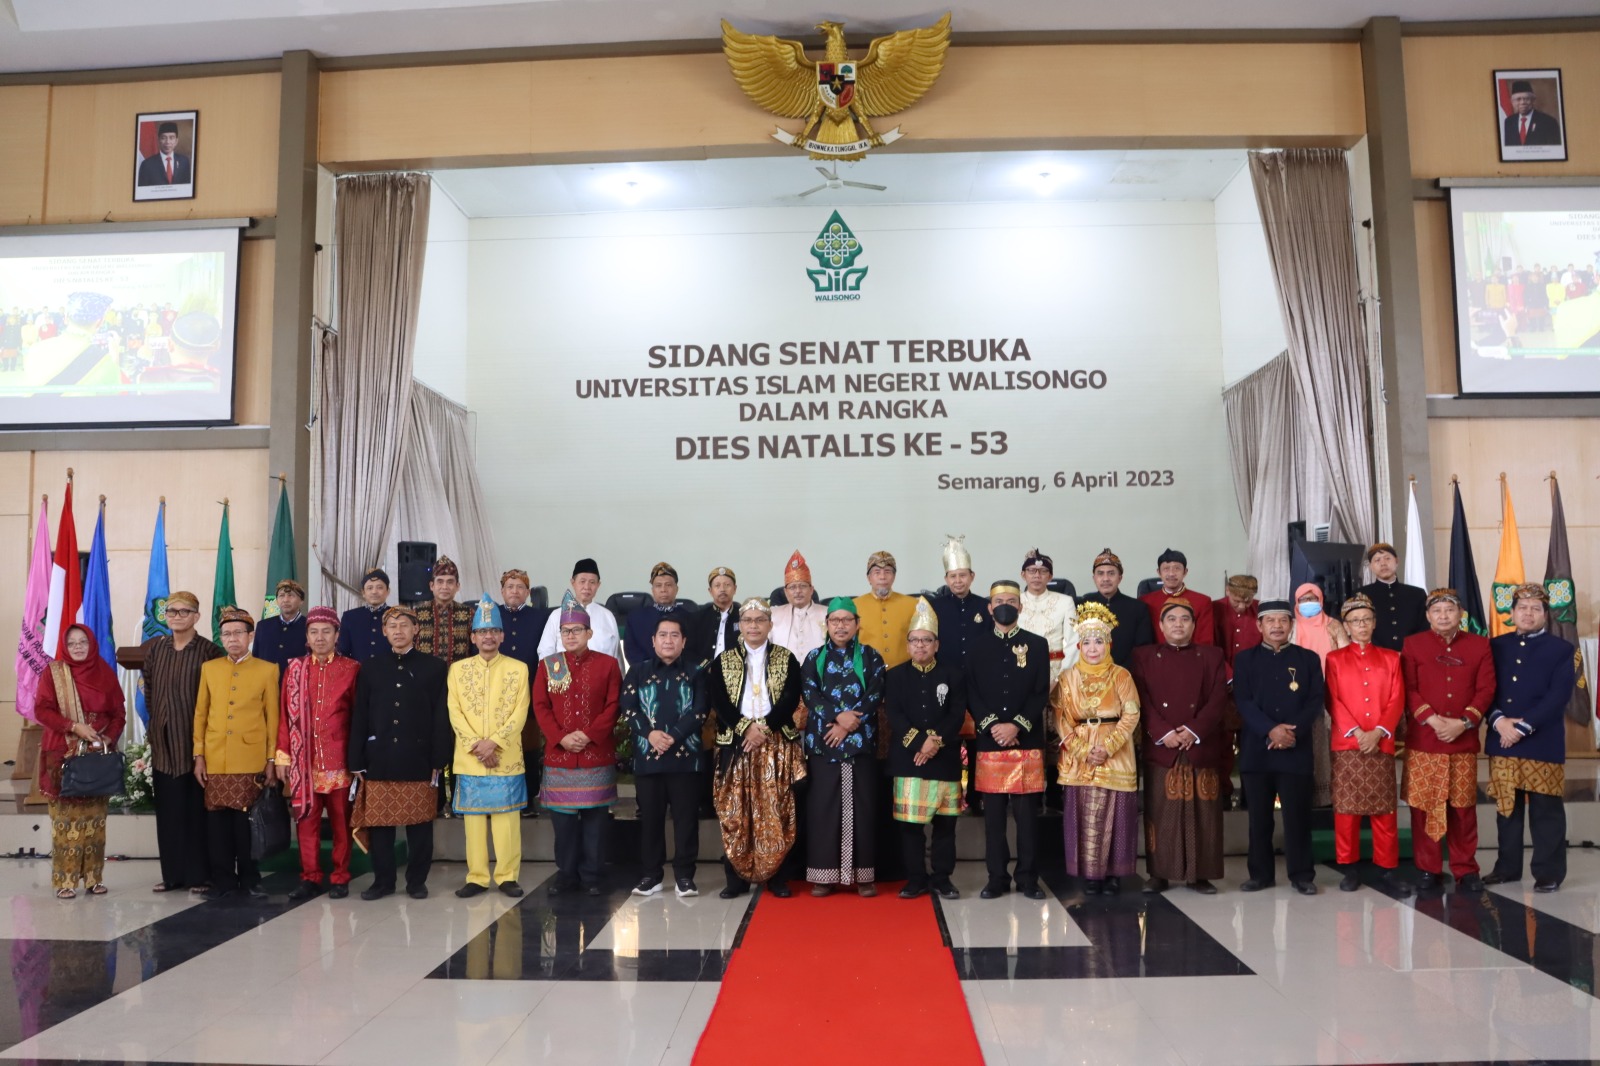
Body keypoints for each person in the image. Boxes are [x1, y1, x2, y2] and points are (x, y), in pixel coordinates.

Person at [349, 606, 452, 900]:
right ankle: (383, 881)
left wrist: (438, 758)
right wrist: (356, 758)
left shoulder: (434, 667)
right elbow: (360, 715)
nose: (398, 631)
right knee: (380, 826)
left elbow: (440, 716)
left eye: (404, 625)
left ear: (415, 630)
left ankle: (417, 881)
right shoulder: (370, 667)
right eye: (392, 626)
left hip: (418, 758)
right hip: (378, 757)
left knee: (420, 826)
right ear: (384, 632)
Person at [707, 597, 806, 899]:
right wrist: (744, 728)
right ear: (740, 625)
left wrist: (762, 729)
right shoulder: (723, 661)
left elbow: (790, 699)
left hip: (774, 742)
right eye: (747, 620)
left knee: (776, 809)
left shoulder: (785, 658)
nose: (753, 625)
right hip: (736, 744)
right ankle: (735, 877)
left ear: (769, 625)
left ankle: (776, 877)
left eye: (759, 620)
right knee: (735, 810)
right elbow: (720, 701)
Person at [1484, 584, 1578, 893]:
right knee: (1507, 809)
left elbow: (1558, 696)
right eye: (1522, 608)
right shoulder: (1495, 646)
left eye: (1535, 609)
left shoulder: (1562, 649)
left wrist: (1523, 727)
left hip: (1542, 740)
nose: (1528, 613)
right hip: (1502, 737)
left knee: (1546, 811)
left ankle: (1548, 873)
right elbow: (1485, 688)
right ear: (1511, 613)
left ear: (1546, 615)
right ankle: (1507, 868)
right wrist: (1498, 721)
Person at [1401, 588, 1495, 893]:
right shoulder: (1413, 644)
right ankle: (1428, 869)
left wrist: (1464, 722)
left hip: (1462, 740)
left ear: (1461, 615)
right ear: (1428, 616)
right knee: (1424, 807)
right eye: (1437, 611)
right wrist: (1432, 719)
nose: (1443, 616)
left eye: (1449, 610)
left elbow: (1486, 688)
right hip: (1425, 740)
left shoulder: (1479, 645)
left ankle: (1466, 869)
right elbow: (1408, 688)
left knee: (1463, 808)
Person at [1132, 598, 1228, 894]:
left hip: (1200, 745)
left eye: (1184, 619)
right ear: (1160, 626)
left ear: (1194, 625)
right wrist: (1163, 732)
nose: (1178, 624)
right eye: (1171, 619)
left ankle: (1200, 875)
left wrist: (1193, 730)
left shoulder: (1212, 655)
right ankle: (1159, 873)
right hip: (1163, 747)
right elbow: (1140, 700)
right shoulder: (1143, 656)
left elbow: (1217, 700)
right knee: (1161, 811)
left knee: (1204, 812)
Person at [532, 594, 622, 897]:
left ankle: (593, 875)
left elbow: (613, 705)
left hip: (596, 754)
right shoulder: (549, 665)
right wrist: (560, 737)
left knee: (596, 824)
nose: (571, 636)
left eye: (577, 631)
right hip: (560, 758)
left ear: (589, 633)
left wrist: (589, 734)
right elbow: (540, 706)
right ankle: (566, 875)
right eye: (566, 632)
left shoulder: (608, 665)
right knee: (564, 826)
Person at [1233, 600, 1325, 895]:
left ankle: (1302, 874)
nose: (1276, 626)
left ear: (1291, 625)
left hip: (1295, 749)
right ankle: (1260, 875)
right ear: (1259, 626)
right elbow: (1243, 701)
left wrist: (1288, 731)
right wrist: (1270, 730)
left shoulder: (1308, 659)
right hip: (1257, 750)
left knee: (1297, 817)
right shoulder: (1245, 660)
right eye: (1269, 621)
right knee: (1259, 818)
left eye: (1282, 621)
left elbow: (1314, 701)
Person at [968, 579, 1051, 900]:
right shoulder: (976, 646)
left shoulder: (1037, 644)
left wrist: (1016, 725)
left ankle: (1029, 878)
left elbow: (1040, 690)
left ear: (1020, 606)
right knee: (994, 818)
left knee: (1028, 817)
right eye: (998, 600)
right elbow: (971, 692)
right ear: (989, 608)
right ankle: (997, 878)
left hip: (1026, 739)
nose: (1005, 604)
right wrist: (993, 726)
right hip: (990, 742)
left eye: (1011, 600)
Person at [1325, 594, 1412, 895]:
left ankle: (1387, 869)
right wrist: (1356, 733)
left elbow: (1397, 698)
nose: (1361, 625)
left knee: (1384, 810)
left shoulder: (1391, 658)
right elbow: (1332, 700)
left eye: (1366, 620)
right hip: (1348, 745)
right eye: (1354, 621)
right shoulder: (1334, 659)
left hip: (1380, 743)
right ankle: (1349, 868)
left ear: (1375, 623)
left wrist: (1378, 732)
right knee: (1346, 811)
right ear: (1346, 627)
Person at [800, 597, 888, 896]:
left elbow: (875, 693)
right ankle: (823, 876)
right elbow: (810, 695)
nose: (840, 626)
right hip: (824, 742)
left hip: (860, 742)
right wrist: (838, 718)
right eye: (835, 620)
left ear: (857, 624)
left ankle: (863, 876)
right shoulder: (814, 657)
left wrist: (849, 723)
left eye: (846, 620)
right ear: (826, 625)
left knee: (863, 808)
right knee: (823, 808)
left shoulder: (871, 656)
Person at [1052, 603, 1140, 896]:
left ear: (1108, 644)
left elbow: (1131, 714)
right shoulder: (1066, 678)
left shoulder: (1122, 676)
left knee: (1118, 813)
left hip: (1116, 752)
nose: (1093, 648)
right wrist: (1081, 750)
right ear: (1079, 645)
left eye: (1099, 641)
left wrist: (1109, 746)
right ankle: (1090, 875)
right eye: (1087, 642)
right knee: (1083, 812)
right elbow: (1060, 719)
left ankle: (1115, 874)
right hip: (1080, 756)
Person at [193, 607, 279, 900]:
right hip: (215, 758)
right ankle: (223, 881)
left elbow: (273, 718)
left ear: (250, 636)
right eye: (227, 634)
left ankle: (251, 879)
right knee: (217, 826)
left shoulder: (268, 670)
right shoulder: (210, 668)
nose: (232, 639)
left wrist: (271, 759)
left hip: (250, 757)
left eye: (238, 633)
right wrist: (199, 755)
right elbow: (201, 714)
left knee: (246, 825)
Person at [139, 590, 222, 893]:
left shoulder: (209, 651)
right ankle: (172, 875)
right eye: (171, 611)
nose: (176, 616)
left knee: (196, 814)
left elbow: (218, 698)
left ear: (196, 617)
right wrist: (156, 724)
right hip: (164, 746)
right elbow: (148, 690)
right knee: (169, 814)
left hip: (197, 747)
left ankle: (200, 875)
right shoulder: (156, 650)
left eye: (183, 611)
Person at [34, 626, 126, 899]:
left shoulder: (104, 672)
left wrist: (106, 739)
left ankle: (93, 879)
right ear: (65, 646)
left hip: (97, 756)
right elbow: (42, 710)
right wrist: (74, 726)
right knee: (66, 823)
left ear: (91, 644)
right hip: (63, 754)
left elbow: (118, 713)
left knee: (95, 822)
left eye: (83, 642)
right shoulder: (54, 673)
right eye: (71, 643)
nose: (77, 647)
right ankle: (65, 880)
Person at [274, 606, 359, 901]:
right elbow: (284, 715)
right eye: (314, 632)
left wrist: (359, 759)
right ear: (307, 637)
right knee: (306, 821)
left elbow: (359, 717)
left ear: (337, 635)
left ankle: (340, 877)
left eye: (326, 632)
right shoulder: (295, 669)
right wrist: (283, 755)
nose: (320, 638)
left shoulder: (351, 669)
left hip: (339, 761)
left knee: (340, 823)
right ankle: (309, 877)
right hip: (303, 761)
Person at [449, 598, 531, 898]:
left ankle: (507, 876)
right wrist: (476, 745)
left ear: (502, 635)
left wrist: (494, 743)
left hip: (504, 755)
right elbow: (454, 711)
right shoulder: (457, 670)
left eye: (494, 630)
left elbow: (520, 711)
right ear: (472, 637)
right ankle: (477, 877)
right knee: (473, 822)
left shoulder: (518, 669)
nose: (488, 636)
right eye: (482, 631)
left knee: (507, 819)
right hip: (471, 758)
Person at [886, 597, 966, 900]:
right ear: (908, 646)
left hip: (944, 758)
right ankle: (916, 878)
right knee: (910, 826)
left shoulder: (953, 675)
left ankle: (943, 878)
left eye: (926, 641)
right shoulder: (894, 676)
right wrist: (920, 742)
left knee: (946, 825)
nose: (920, 646)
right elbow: (895, 714)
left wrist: (934, 743)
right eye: (915, 641)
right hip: (908, 759)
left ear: (936, 644)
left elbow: (956, 714)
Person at [621, 614, 707, 897]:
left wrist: (673, 736)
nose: (668, 640)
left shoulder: (696, 672)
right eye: (663, 635)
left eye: (674, 636)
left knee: (685, 820)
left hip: (686, 760)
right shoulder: (637, 672)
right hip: (649, 758)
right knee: (651, 821)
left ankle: (685, 877)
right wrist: (651, 735)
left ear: (683, 642)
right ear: (653, 641)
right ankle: (651, 875)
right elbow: (629, 709)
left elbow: (700, 711)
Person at [497, 568, 549, 818]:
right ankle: (500, 797)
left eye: (520, 587)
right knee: (501, 744)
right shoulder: (491, 615)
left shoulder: (540, 618)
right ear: (502, 591)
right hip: (497, 694)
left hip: (530, 689)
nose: (514, 591)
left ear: (528, 593)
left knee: (528, 746)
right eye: (510, 587)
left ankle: (528, 798)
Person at [1290, 582, 1348, 808]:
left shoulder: (1333, 625)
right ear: (1296, 602)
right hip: (1298, 694)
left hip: (1331, 691)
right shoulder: (1291, 626)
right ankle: (1303, 795)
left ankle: (1327, 795)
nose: (1308, 604)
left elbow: (1345, 657)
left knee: (1326, 743)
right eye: (1303, 600)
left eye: (1312, 599)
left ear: (1321, 600)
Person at [1077, 548, 1155, 667]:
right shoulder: (1082, 606)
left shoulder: (1137, 608)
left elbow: (1143, 651)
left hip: (1127, 675)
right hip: (1088, 675)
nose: (1106, 579)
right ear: (1094, 578)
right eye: (1100, 573)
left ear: (1120, 578)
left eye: (1111, 573)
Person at [537, 558, 620, 658]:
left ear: (598, 585)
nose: (587, 587)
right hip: (565, 672)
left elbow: (617, 657)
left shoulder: (608, 616)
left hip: (602, 673)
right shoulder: (556, 615)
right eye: (582, 581)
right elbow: (545, 652)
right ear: (573, 583)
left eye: (592, 582)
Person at [931, 535, 990, 669]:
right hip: (944, 675)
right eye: (953, 576)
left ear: (972, 576)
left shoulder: (985, 606)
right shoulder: (934, 607)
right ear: (946, 579)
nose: (958, 581)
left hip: (979, 674)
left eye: (962, 575)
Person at [1019, 548, 1079, 679]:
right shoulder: (1015, 602)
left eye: (1043, 571)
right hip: (1022, 671)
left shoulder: (1065, 602)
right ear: (1023, 575)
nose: (1037, 575)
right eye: (1031, 570)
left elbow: (1074, 642)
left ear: (1050, 576)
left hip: (1057, 670)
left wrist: (1062, 677)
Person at [854, 550, 916, 672]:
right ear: (869, 578)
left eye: (887, 572)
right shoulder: (854, 606)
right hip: (867, 674)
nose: (882, 577)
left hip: (905, 673)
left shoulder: (913, 604)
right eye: (877, 572)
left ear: (894, 576)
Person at [1359, 543, 1428, 652]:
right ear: (1371, 567)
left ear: (1396, 561)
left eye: (1387, 558)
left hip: (1412, 654)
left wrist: (1410, 651)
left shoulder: (1417, 594)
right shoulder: (1362, 595)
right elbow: (1360, 627)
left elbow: (1424, 627)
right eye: (1377, 560)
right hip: (1376, 655)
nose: (1383, 563)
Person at [626, 562, 693, 668]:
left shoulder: (690, 618)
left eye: (668, 585)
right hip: (645, 675)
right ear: (652, 590)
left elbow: (692, 652)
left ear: (677, 589)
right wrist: (653, 670)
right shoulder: (636, 618)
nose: (663, 590)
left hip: (681, 675)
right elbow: (631, 651)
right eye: (658, 585)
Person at [1141, 549, 1215, 646]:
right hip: (1155, 658)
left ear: (1185, 572)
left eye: (1177, 568)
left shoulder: (1202, 601)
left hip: (1191, 657)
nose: (1171, 573)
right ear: (1159, 572)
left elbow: (1205, 641)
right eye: (1166, 569)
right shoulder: (1145, 602)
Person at [416, 556, 474, 663]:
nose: (445, 587)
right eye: (440, 581)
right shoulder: (417, 614)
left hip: (459, 676)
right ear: (432, 586)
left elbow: (475, 649)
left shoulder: (469, 613)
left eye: (450, 582)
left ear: (457, 586)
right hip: (426, 677)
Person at [770, 550, 826, 663]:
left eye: (803, 586)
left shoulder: (828, 613)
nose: (798, 591)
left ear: (811, 590)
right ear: (785, 592)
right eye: (792, 587)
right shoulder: (772, 615)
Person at [336, 567, 392, 663]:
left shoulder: (396, 615)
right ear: (363, 593)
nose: (374, 591)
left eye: (380, 587)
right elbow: (343, 651)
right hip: (359, 674)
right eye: (370, 588)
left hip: (390, 674)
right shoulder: (350, 617)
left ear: (388, 591)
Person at [253, 579, 308, 672]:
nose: (286, 600)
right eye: (281, 596)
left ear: (301, 601)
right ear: (277, 600)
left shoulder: (309, 626)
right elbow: (256, 659)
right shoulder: (263, 626)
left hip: (296, 683)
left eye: (291, 596)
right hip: (267, 684)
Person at [1213, 575, 1262, 678]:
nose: (1242, 607)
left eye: (1247, 602)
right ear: (1227, 591)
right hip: (1218, 673)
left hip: (1254, 674)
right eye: (1236, 601)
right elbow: (1210, 647)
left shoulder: (1261, 609)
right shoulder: (1214, 609)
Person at [691, 566, 741, 665]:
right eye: (717, 586)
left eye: (727, 585)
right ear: (710, 591)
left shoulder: (744, 617)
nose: (722, 589)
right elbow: (688, 651)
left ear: (735, 589)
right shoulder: (697, 618)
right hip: (704, 673)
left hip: (735, 673)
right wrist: (706, 666)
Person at [1502, 80, 1563, 147]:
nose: (1522, 102)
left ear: (1533, 100)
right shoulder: (1508, 122)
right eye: (1518, 99)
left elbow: (1555, 151)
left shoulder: (1549, 122)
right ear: (1512, 102)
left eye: (1526, 99)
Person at [137, 121, 192, 185]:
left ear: (176, 141)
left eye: (171, 138)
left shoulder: (184, 161)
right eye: (163, 138)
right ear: (158, 140)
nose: (167, 142)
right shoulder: (146, 165)